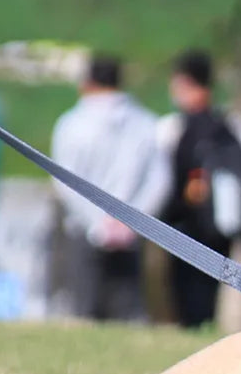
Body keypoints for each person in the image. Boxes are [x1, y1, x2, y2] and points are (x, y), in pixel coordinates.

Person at [51, 55, 170, 322]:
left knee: (83, 309)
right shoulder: (146, 122)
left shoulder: (71, 123)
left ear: (88, 82)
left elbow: (63, 180)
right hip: (131, 231)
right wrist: (131, 221)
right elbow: (159, 180)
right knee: (129, 311)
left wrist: (98, 223)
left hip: (84, 229)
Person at [157, 49, 241, 328]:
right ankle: (203, 326)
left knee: (185, 293)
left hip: (183, 223)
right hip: (221, 224)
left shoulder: (172, 129)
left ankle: (191, 329)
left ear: (184, 82)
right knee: (210, 289)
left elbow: (164, 182)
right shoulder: (236, 127)